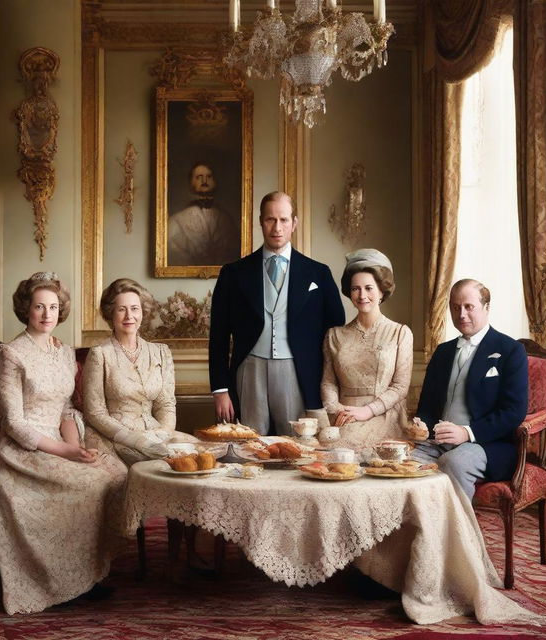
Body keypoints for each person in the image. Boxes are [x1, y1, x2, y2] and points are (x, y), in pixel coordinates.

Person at [0, 272, 127, 615]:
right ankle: (56, 580)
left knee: (112, 473)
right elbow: (15, 423)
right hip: (18, 448)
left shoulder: (63, 353)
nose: (47, 314)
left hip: (60, 437)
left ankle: (87, 574)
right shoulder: (11, 354)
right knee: (79, 483)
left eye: (53, 307)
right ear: (26, 310)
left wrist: (75, 446)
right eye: (39, 307)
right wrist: (64, 452)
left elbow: (65, 408)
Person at [209, 191, 346, 436]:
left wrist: (328, 383)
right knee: (250, 446)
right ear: (261, 221)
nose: (277, 227)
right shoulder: (233, 273)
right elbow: (218, 336)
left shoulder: (318, 273)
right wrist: (220, 389)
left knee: (295, 446)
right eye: (270, 219)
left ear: (294, 222)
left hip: (297, 370)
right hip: (249, 369)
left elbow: (336, 330)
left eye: (283, 220)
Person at [408, 279, 528, 499]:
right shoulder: (443, 352)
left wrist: (467, 433)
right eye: (455, 307)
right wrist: (421, 425)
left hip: (487, 445)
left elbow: (514, 412)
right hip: (436, 443)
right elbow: (426, 406)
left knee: (453, 463)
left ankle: (459, 533)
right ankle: (417, 531)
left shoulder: (511, 350)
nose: (461, 314)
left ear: (486, 307)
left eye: (468, 306)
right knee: (400, 463)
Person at [83, 278, 191, 466]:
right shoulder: (100, 355)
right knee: (162, 466)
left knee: (198, 457)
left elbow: (165, 404)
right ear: (111, 314)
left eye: (134, 309)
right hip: (117, 438)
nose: (129, 316)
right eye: (121, 309)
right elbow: (95, 413)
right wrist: (136, 440)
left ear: (143, 312)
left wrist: (163, 434)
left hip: (157, 434)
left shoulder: (160, 353)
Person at [321, 249, 413, 448]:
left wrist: (368, 411)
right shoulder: (334, 335)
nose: (362, 295)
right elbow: (329, 383)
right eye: (356, 289)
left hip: (384, 416)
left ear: (381, 290)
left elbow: (400, 387)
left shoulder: (400, 333)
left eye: (369, 288)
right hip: (343, 417)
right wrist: (337, 410)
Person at [167, 162, 240, 266]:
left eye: (209, 177)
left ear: (215, 181)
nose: (204, 181)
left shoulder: (226, 219)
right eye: (199, 177)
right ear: (191, 182)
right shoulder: (177, 220)